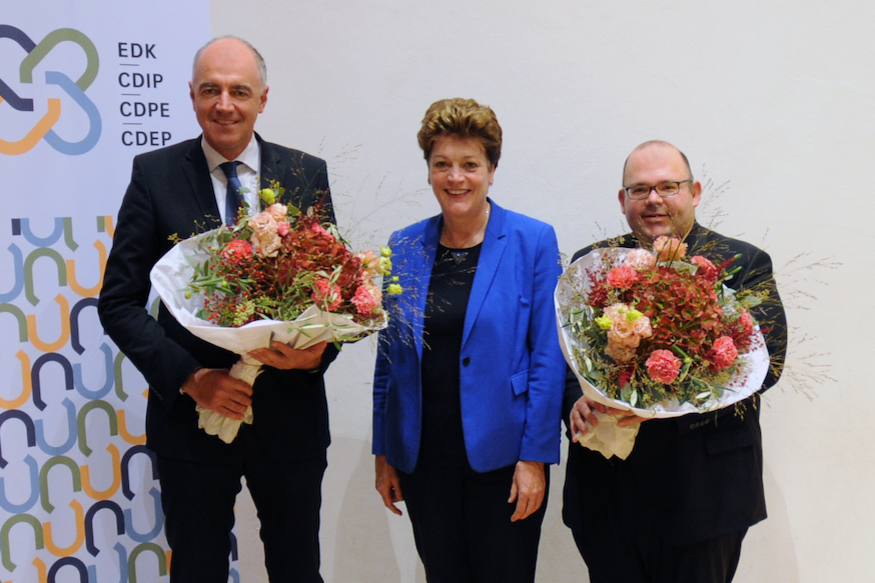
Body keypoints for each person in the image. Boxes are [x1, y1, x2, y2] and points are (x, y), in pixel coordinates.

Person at [98, 36, 336, 583]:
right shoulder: (154, 175)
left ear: (263, 99)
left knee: (298, 569)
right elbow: (118, 302)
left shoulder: (306, 174)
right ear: (191, 95)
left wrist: (313, 357)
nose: (224, 104)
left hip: (290, 418)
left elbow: (336, 293)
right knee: (197, 569)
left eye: (238, 91)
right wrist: (192, 377)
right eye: (211, 90)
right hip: (192, 421)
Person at [562, 140, 788, 583]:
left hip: (705, 494)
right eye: (640, 189)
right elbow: (564, 355)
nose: (654, 200)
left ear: (695, 191)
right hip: (607, 492)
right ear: (623, 199)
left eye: (668, 186)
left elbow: (768, 365)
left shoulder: (743, 264)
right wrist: (575, 400)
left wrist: (661, 407)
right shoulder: (591, 266)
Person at [371, 98, 566, 583]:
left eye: (469, 164)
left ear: (492, 170)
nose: (455, 178)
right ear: (430, 171)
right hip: (423, 459)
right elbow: (389, 360)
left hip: (503, 459)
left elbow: (547, 358)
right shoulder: (404, 245)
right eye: (442, 164)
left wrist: (535, 458)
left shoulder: (532, 240)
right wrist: (385, 452)